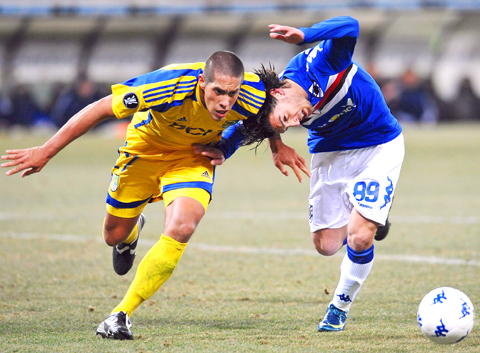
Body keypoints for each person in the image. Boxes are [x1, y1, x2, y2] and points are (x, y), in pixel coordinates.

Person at [1, 51, 289, 340]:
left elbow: (263, 119)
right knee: (113, 235)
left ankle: (120, 315)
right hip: (143, 151)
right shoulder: (167, 85)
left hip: (192, 157)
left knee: (183, 226)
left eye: (232, 93)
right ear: (202, 82)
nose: (226, 101)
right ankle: (129, 236)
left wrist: (268, 147)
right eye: (218, 92)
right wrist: (45, 151)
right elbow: (99, 109)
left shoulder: (254, 92)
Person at [196, 16, 404, 332]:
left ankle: (339, 309)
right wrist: (235, 149)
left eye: (286, 119)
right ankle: (372, 213)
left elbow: (351, 26)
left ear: (280, 94)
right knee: (326, 245)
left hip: (377, 145)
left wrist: (307, 34)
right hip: (329, 151)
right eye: (286, 126)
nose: (294, 123)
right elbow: (248, 123)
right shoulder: (270, 101)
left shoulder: (317, 66)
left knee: (360, 238)